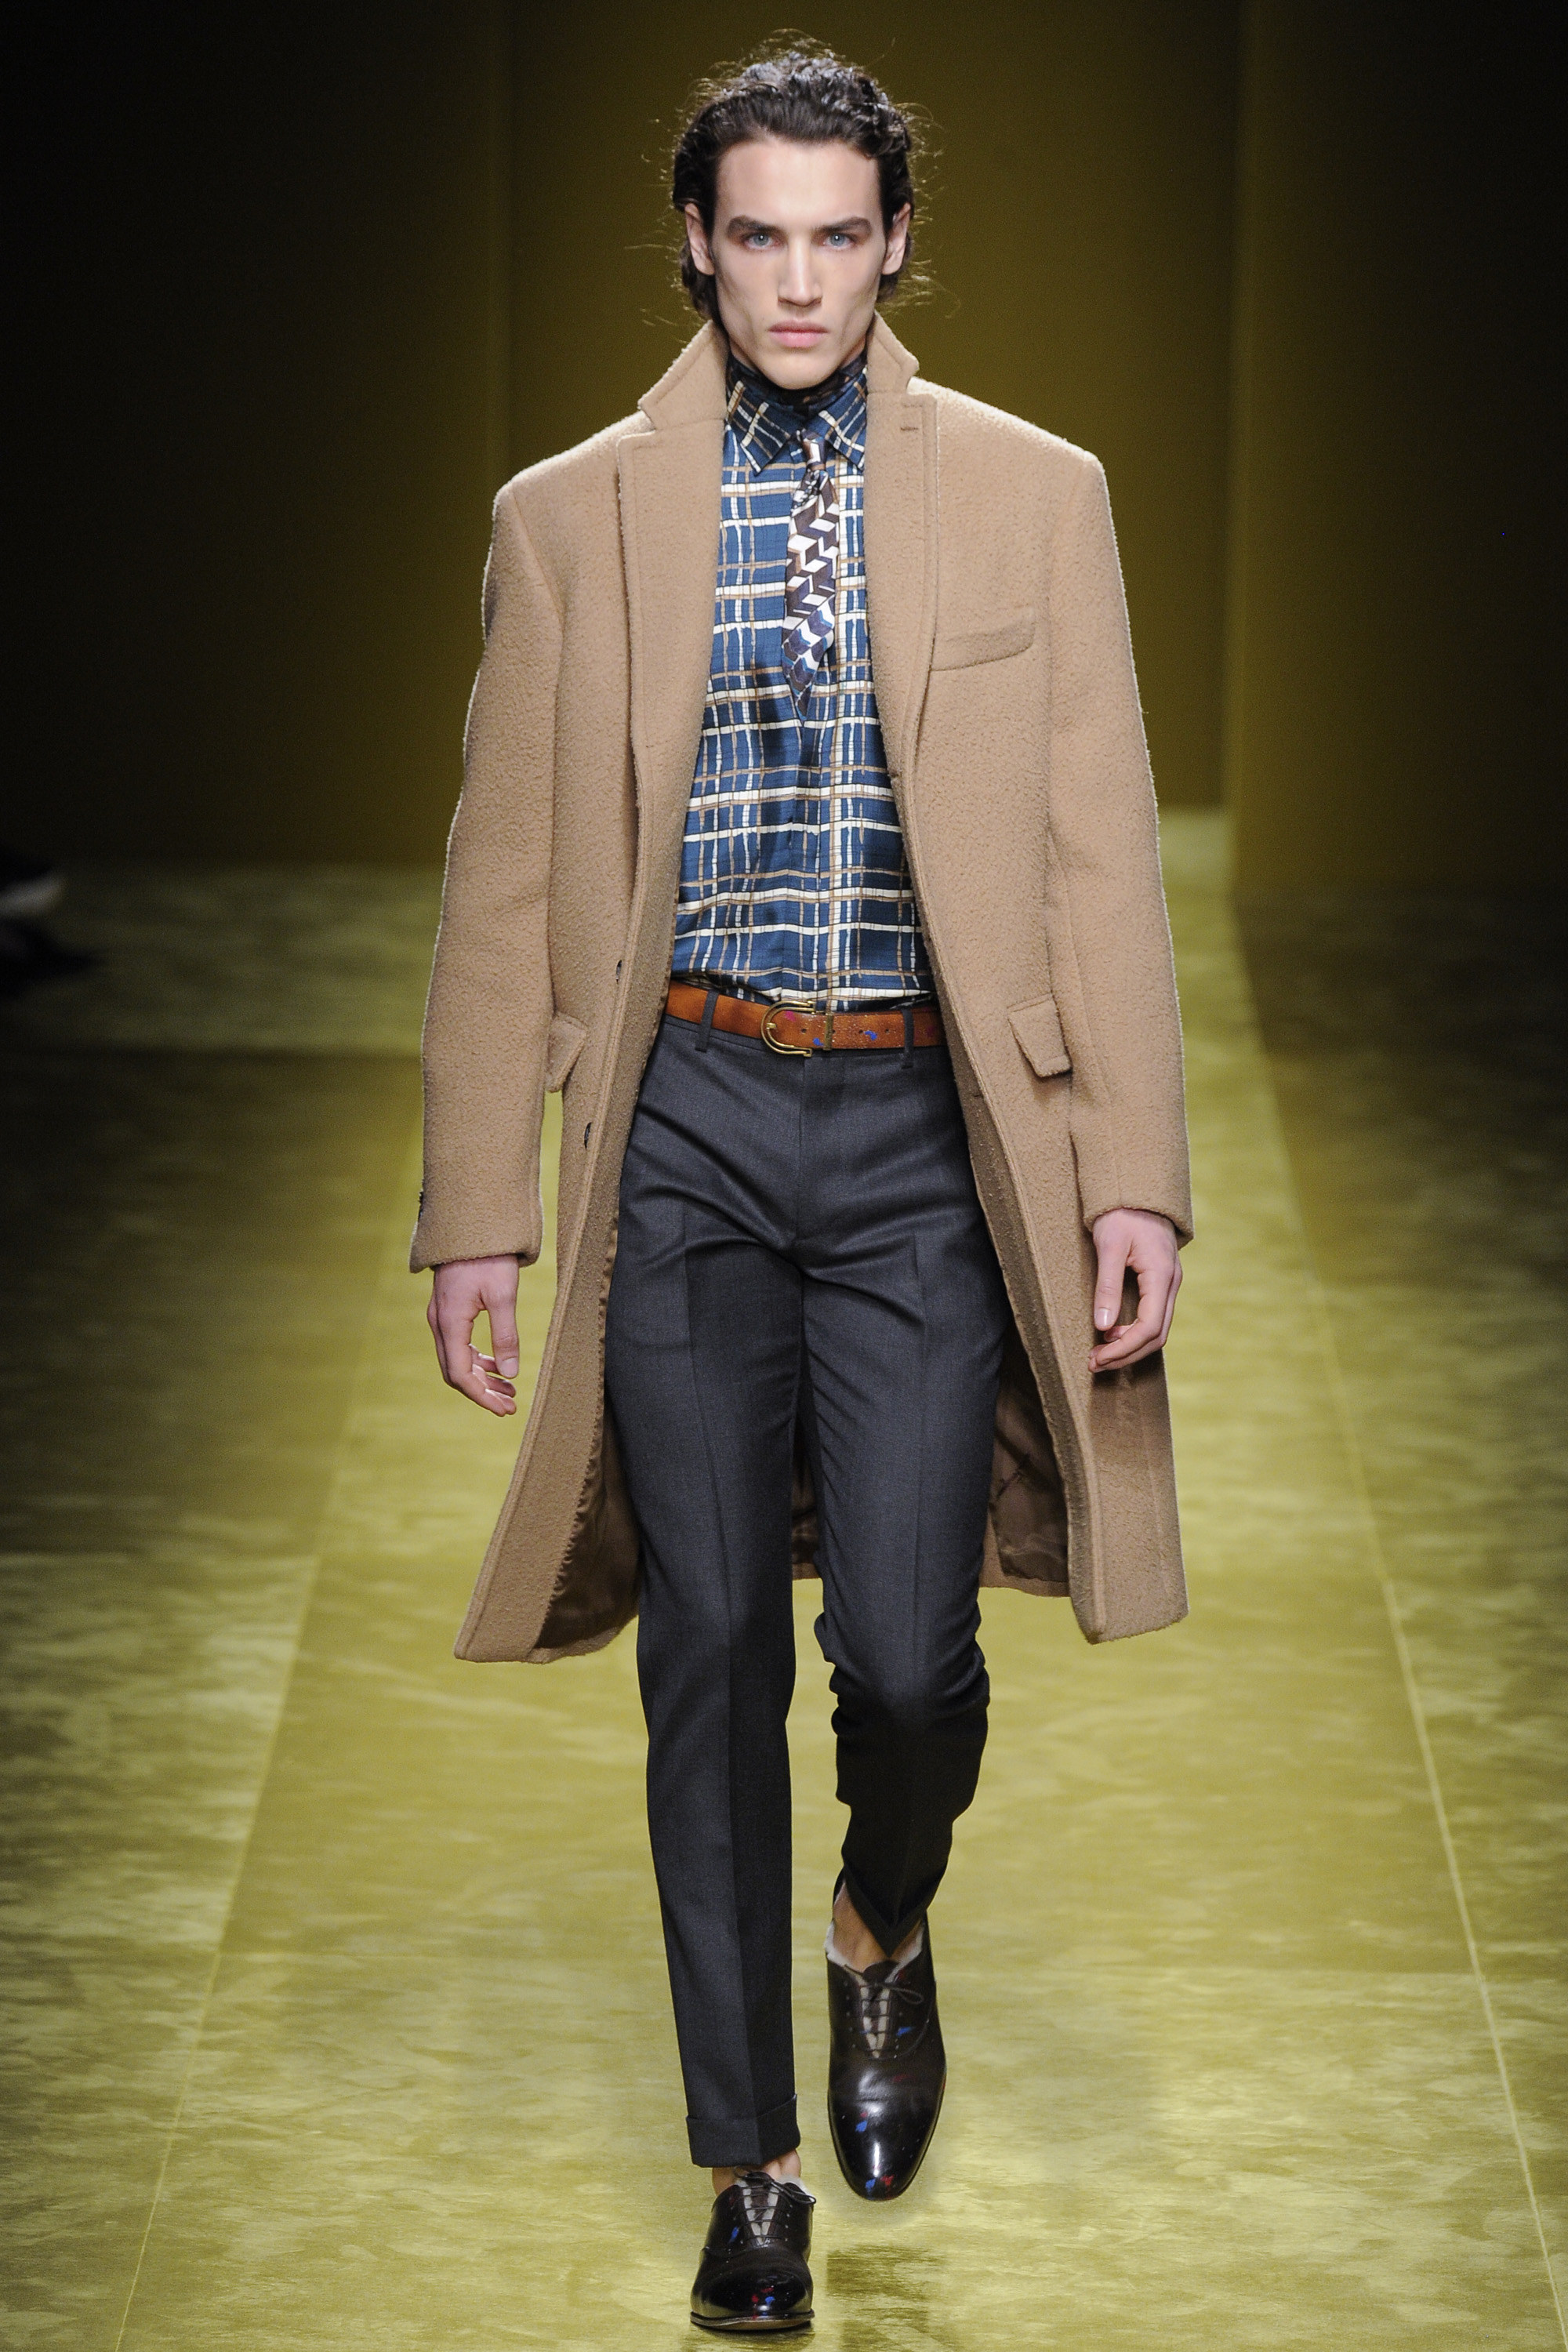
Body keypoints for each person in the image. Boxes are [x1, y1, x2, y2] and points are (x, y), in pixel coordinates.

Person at [415, 46, 1190, 2335]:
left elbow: (1102, 852)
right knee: (712, 1649)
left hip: (929, 1138)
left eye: (840, 236)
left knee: (913, 1657)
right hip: (686, 1125)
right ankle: (746, 2168)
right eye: (757, 234)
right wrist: (480, 1204)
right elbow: (502, 880)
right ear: (695, 241)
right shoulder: (572, 517)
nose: (797, 281)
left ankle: (879, 1921)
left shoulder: (1037, 497)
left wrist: (1134, 1173)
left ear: (894, 244)